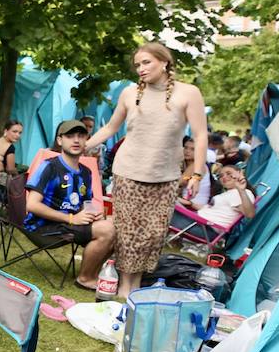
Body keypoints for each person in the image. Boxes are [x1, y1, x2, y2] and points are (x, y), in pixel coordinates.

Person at [87, 42, 209, 298]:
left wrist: (197, 173)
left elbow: (199, 136)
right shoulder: (130, 94)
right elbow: (110, 128)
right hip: (128, 171)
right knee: (128, 234)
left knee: (152, 236)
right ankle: (123, 287)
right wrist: (83, 146)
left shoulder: (188, 93)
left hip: (165, 177)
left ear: (164, 62)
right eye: (137, 65)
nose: (140, 69)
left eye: (146, 63)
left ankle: (136, 284)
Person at [23, 120, 116, 291]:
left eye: (81, 136)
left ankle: (94, 274)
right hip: (43, 227)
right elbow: (32, 205)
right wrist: (71, 218)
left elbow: (85, 204)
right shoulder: (49, 167)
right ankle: (85, 278)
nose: (76, 140)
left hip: (69, 225)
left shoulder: (85, 173)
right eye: (70, 136)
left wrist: (93, 214)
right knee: (107, 230)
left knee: (113, 225)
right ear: (60, 141)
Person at [172, 164, 256, 230]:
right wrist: (190, 203)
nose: (224, 177)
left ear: (240, 173)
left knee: (165, 208)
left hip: (204, 227)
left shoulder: (242, 193)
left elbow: (249, 214)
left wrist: (242, 191)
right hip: (198, 221)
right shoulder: (228, 194)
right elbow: (209, 208)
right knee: (170, 202)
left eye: (229, 173)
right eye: (221, 176)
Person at [0, 119, 24, 186]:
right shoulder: (10, 147)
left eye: (20, 133)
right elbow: (10, 169)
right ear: (6, 131)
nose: (18, 135)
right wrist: (18, 176)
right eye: (14, 131)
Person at [180, 137, 211, 207]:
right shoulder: (186, 164)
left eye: (193, 149)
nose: (187, 151)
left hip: (193, 206)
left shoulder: (197, 165)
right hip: (187, 202)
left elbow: (180, 182)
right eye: (185, 147)